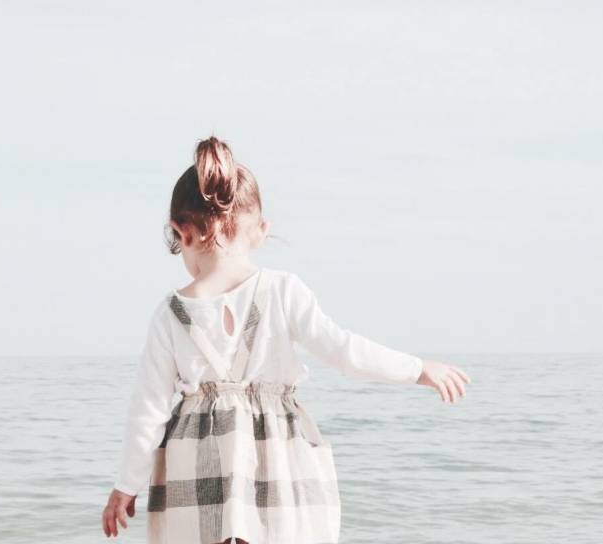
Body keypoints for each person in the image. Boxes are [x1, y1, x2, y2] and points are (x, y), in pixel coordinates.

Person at [100, 135, 471, 543]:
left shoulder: (170, 314)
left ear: (180, 232)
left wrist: (126, 485)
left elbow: (148, 411)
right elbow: (344, 351)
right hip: (275, 456)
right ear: (261, 231)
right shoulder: (282, 291)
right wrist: (418, 369)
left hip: (198, 462)